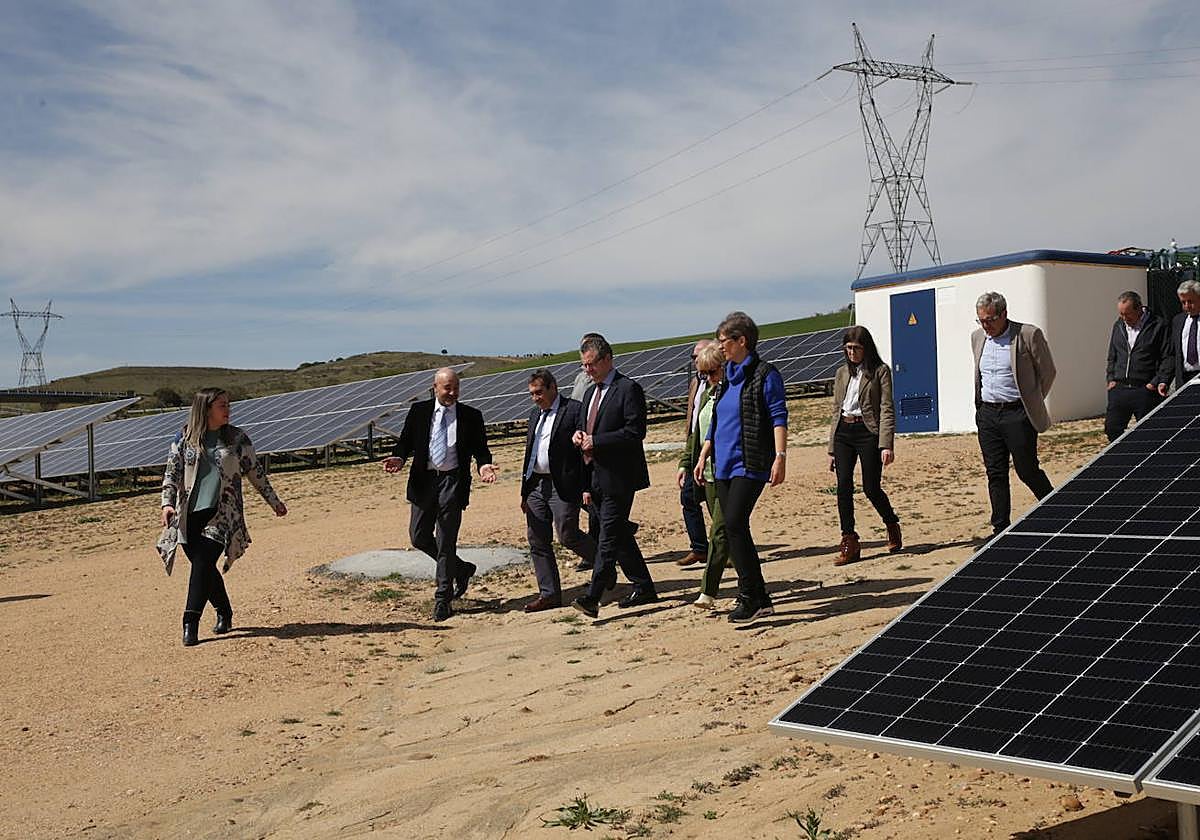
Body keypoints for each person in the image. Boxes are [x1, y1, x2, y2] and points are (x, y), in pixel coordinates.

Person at [159, 387, 287, 647]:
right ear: (206, 409)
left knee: (202, 564)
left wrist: (274, 502)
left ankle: (189, 622)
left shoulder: (237, 438)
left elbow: (256, 473)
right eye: (221, 406)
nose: (228, 410)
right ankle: (224, 611)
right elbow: (171, 473)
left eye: (228, 405)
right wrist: (166, 504)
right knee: (204, 567)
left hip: (223, 513)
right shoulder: (184, 437)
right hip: (188, 514)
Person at [383, 367, 498, 622]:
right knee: (419, 536)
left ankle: (442, 599)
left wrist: (484, 465)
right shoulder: (419, 412)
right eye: (447, 388)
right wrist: (399, 458)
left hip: (452, 482)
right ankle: (462, 568)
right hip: (424, 482)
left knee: (446, 541)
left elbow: (481, 449)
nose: (452, 392)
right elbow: (406, 442)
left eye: (456, 387)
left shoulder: (471, 416)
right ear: (435, 387)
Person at [694, 311, 787, 623]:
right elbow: (717, 420)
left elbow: (778, 416)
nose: (721, 347)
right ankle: (760, 597)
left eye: (724, 342)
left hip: (751, 463)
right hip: (723, 464)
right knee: (736, 530)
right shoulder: (726, 377)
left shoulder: (764, 374)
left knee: (733, 523)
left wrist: (780, 456)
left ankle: (748, 595)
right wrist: (704, 453)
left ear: (741, 341)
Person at [570, 334, 657, 618]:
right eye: (584, 366)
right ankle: (643, 586)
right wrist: (580, 435)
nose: (587, 370)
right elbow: (585, 427)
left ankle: (593, 597)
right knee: (618, 534)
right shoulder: (589, 393)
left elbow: (635, 432)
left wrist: (597, 441)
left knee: (607, 536)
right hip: (594, 475)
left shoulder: (627, 389)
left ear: (607, 359)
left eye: (591, 364)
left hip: (619, 476)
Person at [971, 291, 1056, 535]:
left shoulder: (1028, 335)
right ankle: (1000, 528)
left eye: (990, 320)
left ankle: (1053, 506)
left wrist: (1033, 400)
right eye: (981, 320)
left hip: (1017, 413)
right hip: (988, 414)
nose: (986, 325)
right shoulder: (978, 338)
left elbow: (1048, 371)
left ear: (1004, 314)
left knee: (1026, 469)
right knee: (995, 472)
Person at [519, 369, 596, 612]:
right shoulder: (534, 415)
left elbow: (584, 448)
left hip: (562, 484)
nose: (535, 398)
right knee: (537, 539)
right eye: (532, 394)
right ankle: (549, 594)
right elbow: (530, 452)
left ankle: (602, 562)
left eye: (539, 392)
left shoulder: (573, 409)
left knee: (567, 534)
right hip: (536, 485)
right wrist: (524, 492)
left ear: (553, 387)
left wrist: (586, 486)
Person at [827, 326, 901, 566]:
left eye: (856, 348)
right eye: (847, 348)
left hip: (868, 432)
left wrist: (886, 444)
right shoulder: (840, 373)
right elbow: (836, 409)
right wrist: (831, 449)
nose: (851, 353)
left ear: (866, 348)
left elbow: (887, 408)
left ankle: (891, 523)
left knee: (871, 487)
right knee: (843, 487)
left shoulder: (880, 372)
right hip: (843, 433)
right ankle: (849, 540)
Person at [678, 342, 731, 608]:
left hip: (731, 472)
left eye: (711, 372)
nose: (707, 378)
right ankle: (752, 587)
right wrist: (686, 462)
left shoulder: (731, 393)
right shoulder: (708, 394)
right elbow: (695, 434)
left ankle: (707, 592)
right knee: (733, 533)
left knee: (720, 532)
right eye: (703, 374)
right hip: (707, 472)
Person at [1104, 290, 1171, 442]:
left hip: (1144, 389)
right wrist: (1111, 379)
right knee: (1112, 429)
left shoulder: (1158, 325)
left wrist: (1154, 383)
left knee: (1148, 434)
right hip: (1119, 388)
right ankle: (1123, 460)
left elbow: (1167, 357)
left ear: (1139, 308)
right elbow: (1112, 354)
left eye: (1127, 314)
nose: (1124, 318)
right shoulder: (1119, 325)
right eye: (1121, 314)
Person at [676, 339, 715, 567]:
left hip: (713, 453)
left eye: (697, 357)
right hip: (694, 450)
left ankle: (726, 550)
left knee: (715, 504)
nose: (694, 361)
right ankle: (700, 548)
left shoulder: (718, 382)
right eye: (692, 358)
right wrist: (684, 461)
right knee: (688, 498)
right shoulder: (695, 383)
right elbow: (692, 423)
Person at [1158, 279, 1200, 396]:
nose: (1187, 306)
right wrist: (1165, 379)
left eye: (1191, 301)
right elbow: (1173, 354)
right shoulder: (1178, 321)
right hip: (1185, 380)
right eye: (1183, 302)